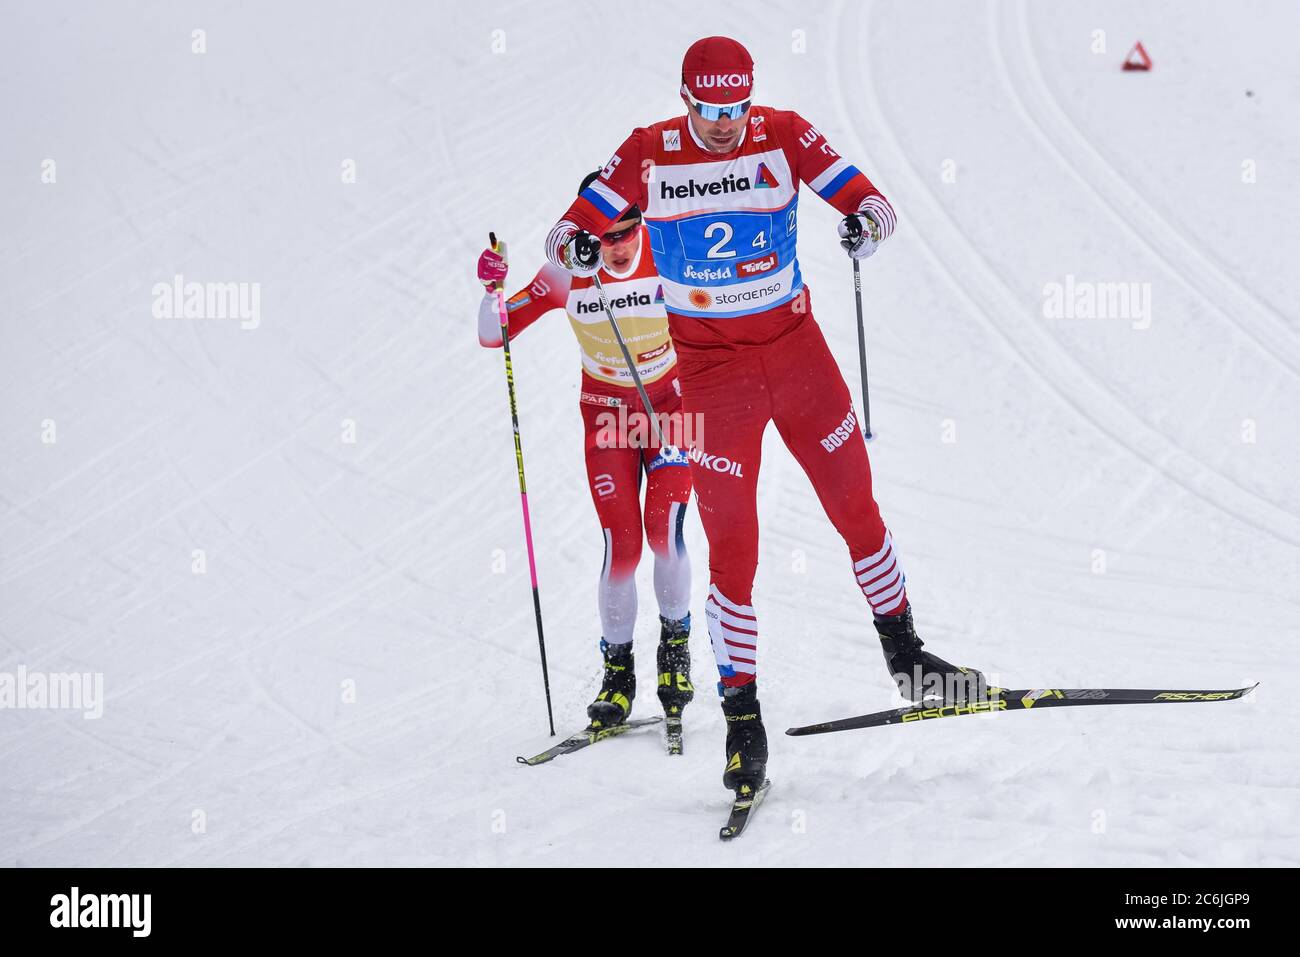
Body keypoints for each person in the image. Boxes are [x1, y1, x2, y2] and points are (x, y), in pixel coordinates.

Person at [542, 37, 985, 793]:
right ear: (686, 100)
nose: (725, 122)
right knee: (734, 549)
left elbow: (872, 203)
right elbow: (562, 236)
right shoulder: (649, 151)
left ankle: (908, 659)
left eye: (736, 106)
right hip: (713, 378)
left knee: (856, 504)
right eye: (711, 109)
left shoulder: (782, 132)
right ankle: (743, 723)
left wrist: (864, 229)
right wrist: (580, 243)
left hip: (797, 354)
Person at [477, 173, 695, 734]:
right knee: (622, 546)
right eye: (605, 237)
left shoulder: (670, 252)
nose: (619, 246)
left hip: (672, 406)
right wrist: (491, 293)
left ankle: (675, 655)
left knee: (662, 530)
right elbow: (494, 335)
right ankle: (617, 675)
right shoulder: (566, 272)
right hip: (605, 415)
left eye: (628, 230)